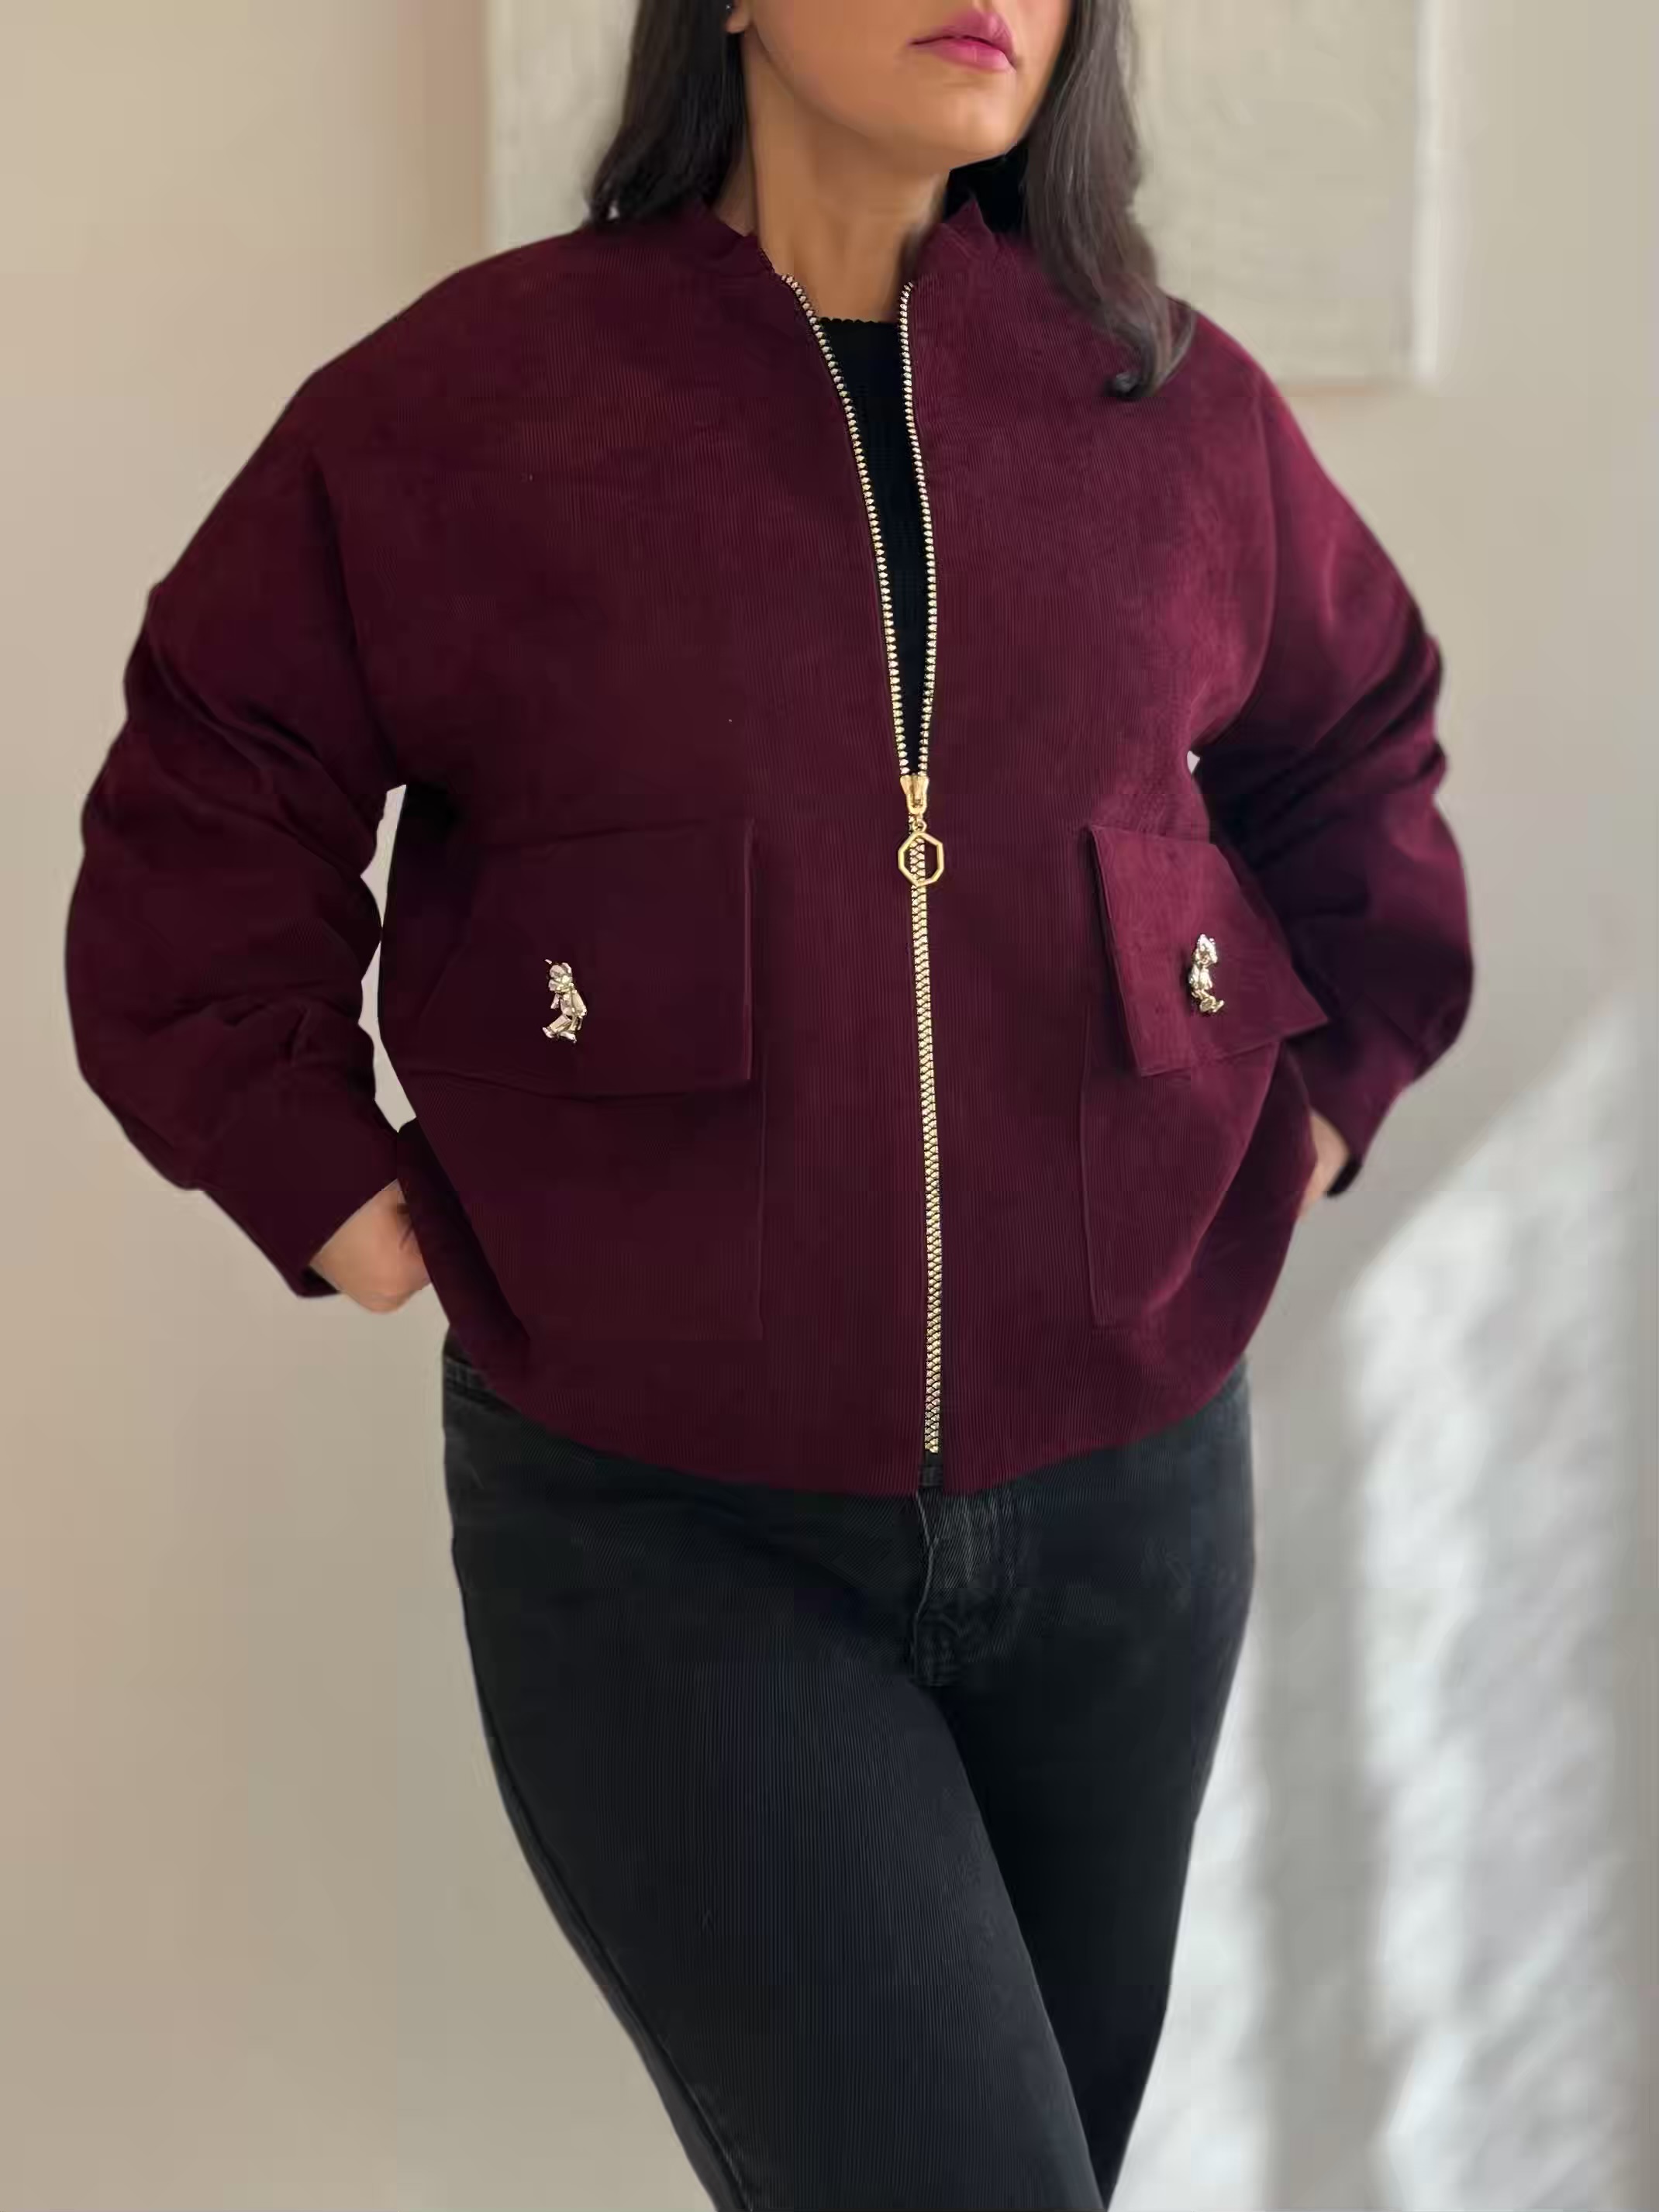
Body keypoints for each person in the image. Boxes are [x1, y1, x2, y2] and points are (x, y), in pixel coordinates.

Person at [64, 2, 1474, 2203]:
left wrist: (1323, 1098)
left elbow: (1354, 744)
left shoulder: (1166, 405)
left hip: (1129, 1511)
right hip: (668, 1538)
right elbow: (207, 789)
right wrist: (318, 1175)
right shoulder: (473, 407)